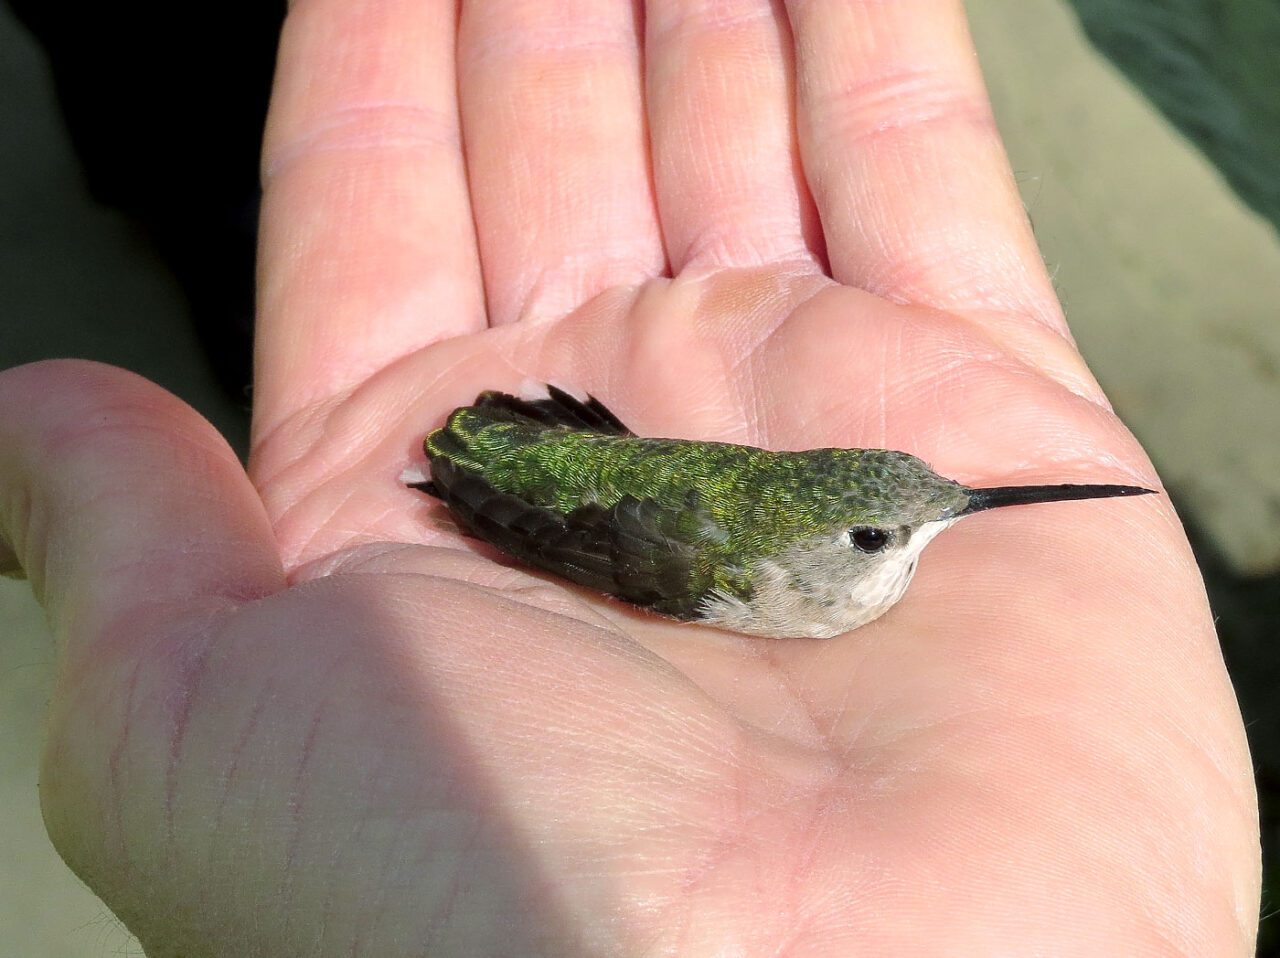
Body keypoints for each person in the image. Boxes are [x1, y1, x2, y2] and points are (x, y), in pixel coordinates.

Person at [0, 0, 1259, 953]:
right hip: (571, 478)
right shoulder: (722, 573)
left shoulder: (790, 535)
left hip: (595, 443)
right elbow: (598, 537)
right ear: (810, 545)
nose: (920, 531)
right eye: (883, 531)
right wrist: (484, 499)